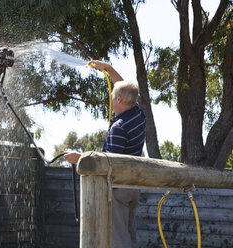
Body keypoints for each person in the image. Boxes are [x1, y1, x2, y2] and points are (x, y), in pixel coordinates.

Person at [64, 60, 146, 248]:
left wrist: (79, 158)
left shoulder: (119, 127)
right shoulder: (138, 115)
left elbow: (109, 162)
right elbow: (128, 90)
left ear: (118, 100)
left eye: (112, 96)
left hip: (118, 189)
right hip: (133, 187)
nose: (111, 99)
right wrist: (108, 69)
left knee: (118, 240)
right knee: (129, 236)